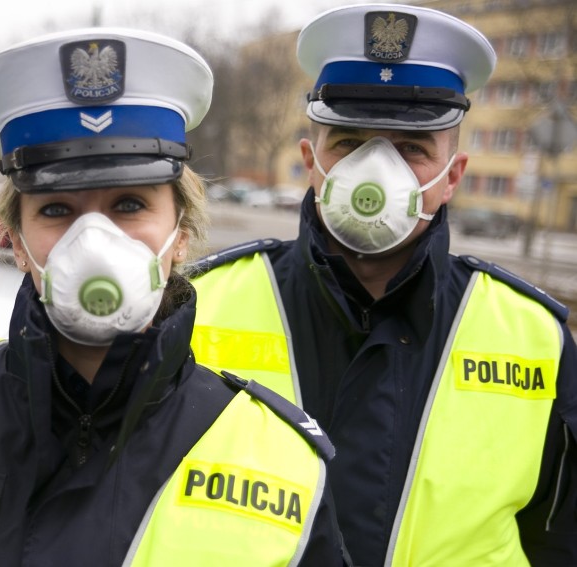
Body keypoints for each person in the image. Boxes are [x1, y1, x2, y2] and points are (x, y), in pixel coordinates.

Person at [0, 28, 348, 566]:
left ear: (180, 234)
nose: (95, 242)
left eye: (129, 205)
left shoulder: (282, 464)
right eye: (57, 210)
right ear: (17, 241)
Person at [190, 4, 577, 565]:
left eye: (412, 148)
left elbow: (560, 538)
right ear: (310, 162)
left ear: (453, 178)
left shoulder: (533, 336)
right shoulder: (204, 306)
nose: (375, 171)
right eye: (348, 144)